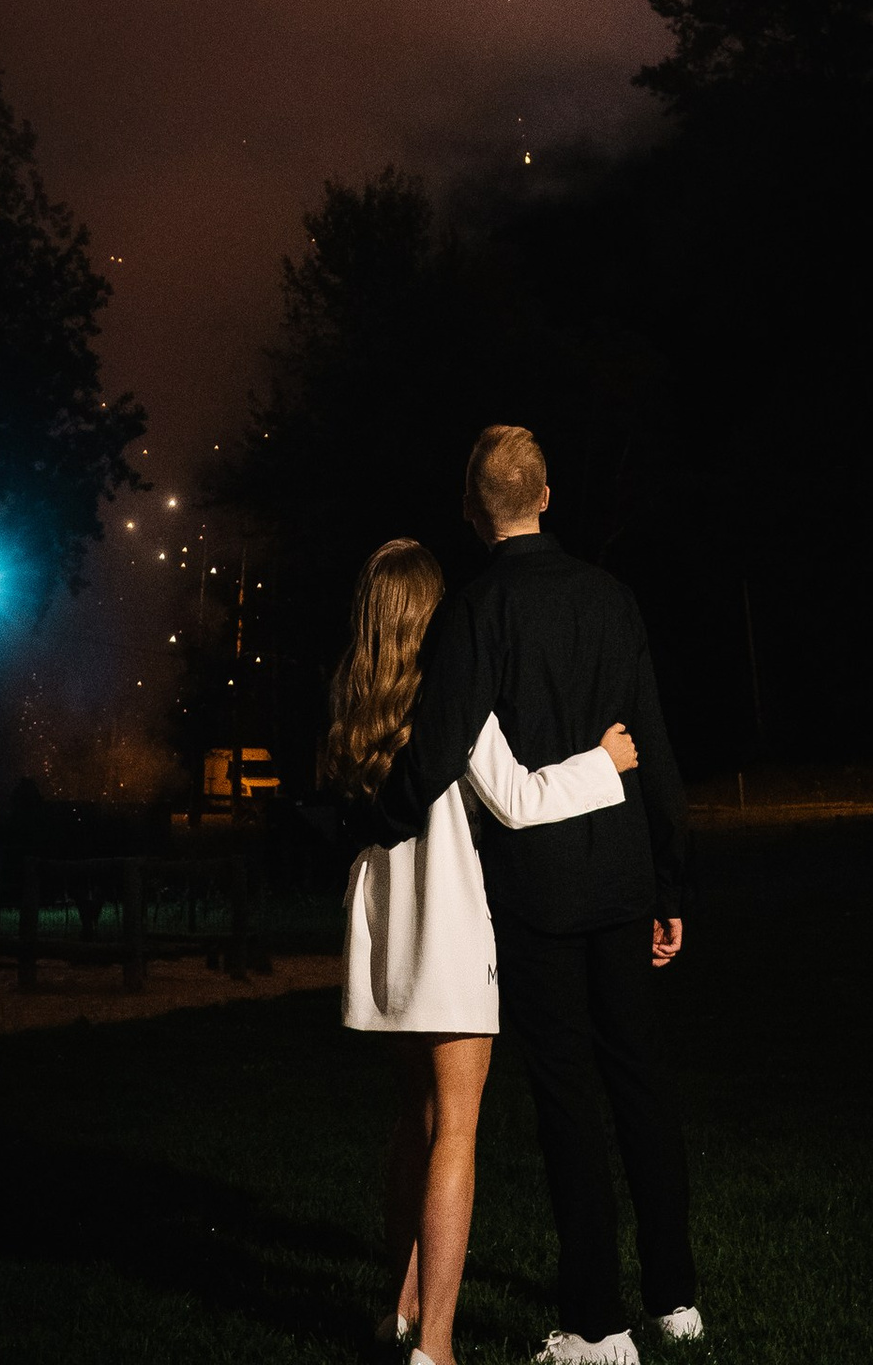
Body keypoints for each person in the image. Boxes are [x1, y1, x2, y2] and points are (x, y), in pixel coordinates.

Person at [372, 424, 700, 1365]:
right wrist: (672, 874)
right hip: (626, 871)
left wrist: (370, 816)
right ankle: (675, 1297)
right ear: (546, 495)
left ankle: (596, 1323)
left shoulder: (476, 611)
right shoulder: (611, 597)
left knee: (566, 1094)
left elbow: (437, 748)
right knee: (640, 1076)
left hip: (542, 891)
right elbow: (657, 741)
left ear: (475, 512)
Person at [326, 534, 641, 1365]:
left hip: (386, 929)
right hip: (446, 930)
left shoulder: (354, 700)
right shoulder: (449, 697)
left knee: (413, 1119)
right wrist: (603, 764)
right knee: (455, 1130)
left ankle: (397, 1308)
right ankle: (436, 1346)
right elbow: (519, 799)